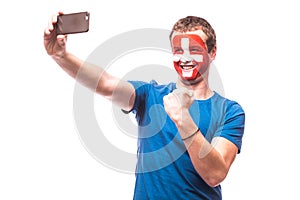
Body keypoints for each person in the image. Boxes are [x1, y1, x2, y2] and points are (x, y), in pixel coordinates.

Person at [44, 12, 245, 200]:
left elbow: (215, 174)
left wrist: (182, 117)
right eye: (178, 50)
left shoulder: (229, 111)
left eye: (194, 50)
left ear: (212, 52)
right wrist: (60, 56)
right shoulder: (149, 95)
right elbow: (105, 84)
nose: (185, 58)